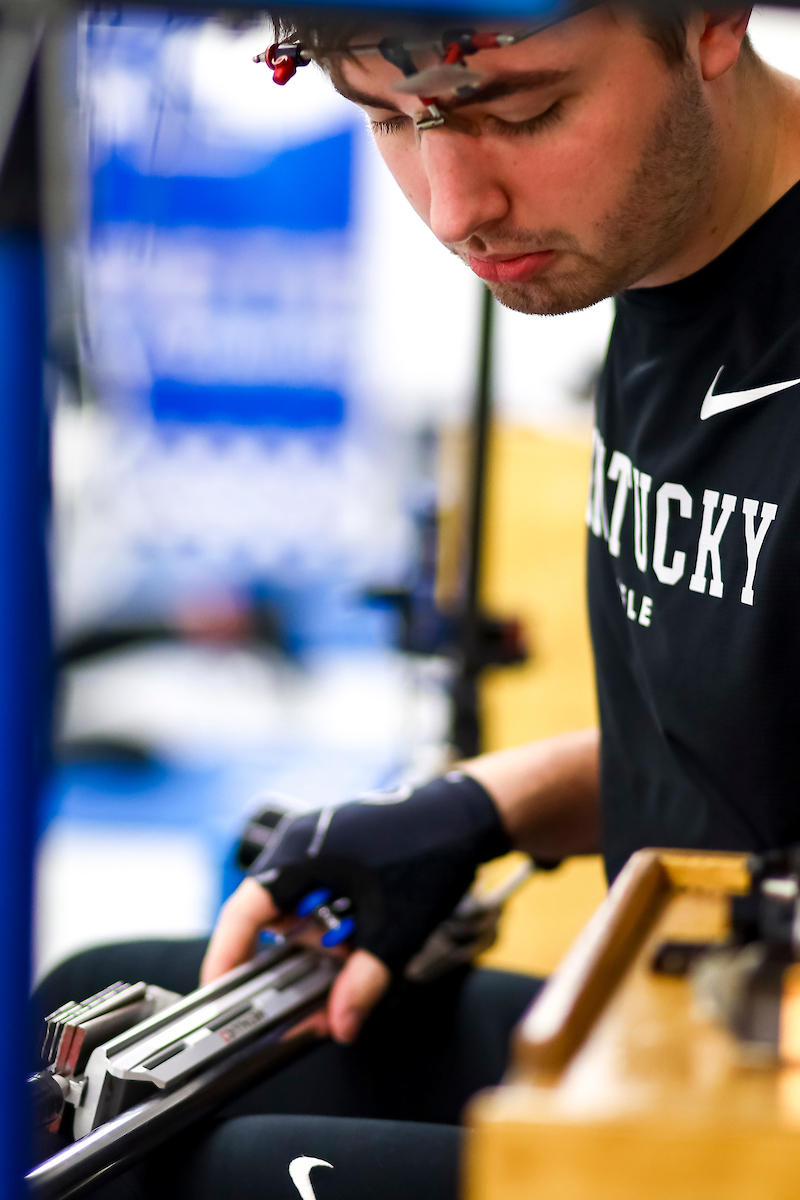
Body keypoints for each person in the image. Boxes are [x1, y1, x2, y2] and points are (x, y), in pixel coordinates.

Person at [35, 5, 800, 1198]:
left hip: (755, 1099)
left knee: (222, 1177)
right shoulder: (660, 256)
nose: (455, 208)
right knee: (88, 1033)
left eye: (525, 112)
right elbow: (761, 733)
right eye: (386, 120)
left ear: (709, 22)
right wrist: (478, 805)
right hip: (679, 1016)